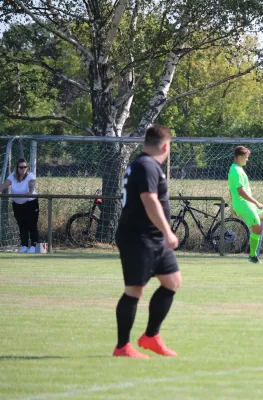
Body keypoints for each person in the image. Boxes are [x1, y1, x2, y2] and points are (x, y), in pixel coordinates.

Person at [113, 124, 181, 359]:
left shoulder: (146, 164)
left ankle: (151, 336)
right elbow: (149, 201)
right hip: (138, 237)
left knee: (172, 281)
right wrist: (168, 232)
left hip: (153, 237)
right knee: (134, 290)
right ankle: (122, 346)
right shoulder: (145, 165)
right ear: (164, 146)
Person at [0, 158, 39, 253]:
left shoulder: (30, 175)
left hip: (30, 203)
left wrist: (30, 192)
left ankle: (33, 245)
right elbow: (5, 184)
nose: (23, 169)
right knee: (22, 224)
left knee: (32, 224)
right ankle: (24, 245)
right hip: (17, 204)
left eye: (25, 167)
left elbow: (32, 182)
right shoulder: (12, 176)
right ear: (17, 168)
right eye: (21, 167)